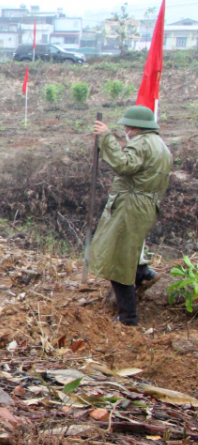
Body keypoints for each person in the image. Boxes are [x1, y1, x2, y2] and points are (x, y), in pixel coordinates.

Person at [90, 106, 172, 326]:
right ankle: (144, 272)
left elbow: (124, 164)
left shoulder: (142, 143)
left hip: (130, 205)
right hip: (146, 205)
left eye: (128, 124)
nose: (126, 128)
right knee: (128, 249)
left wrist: (106, 137)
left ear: (138, 125)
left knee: (117, 260)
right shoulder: (161, 146)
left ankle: (128, 318)